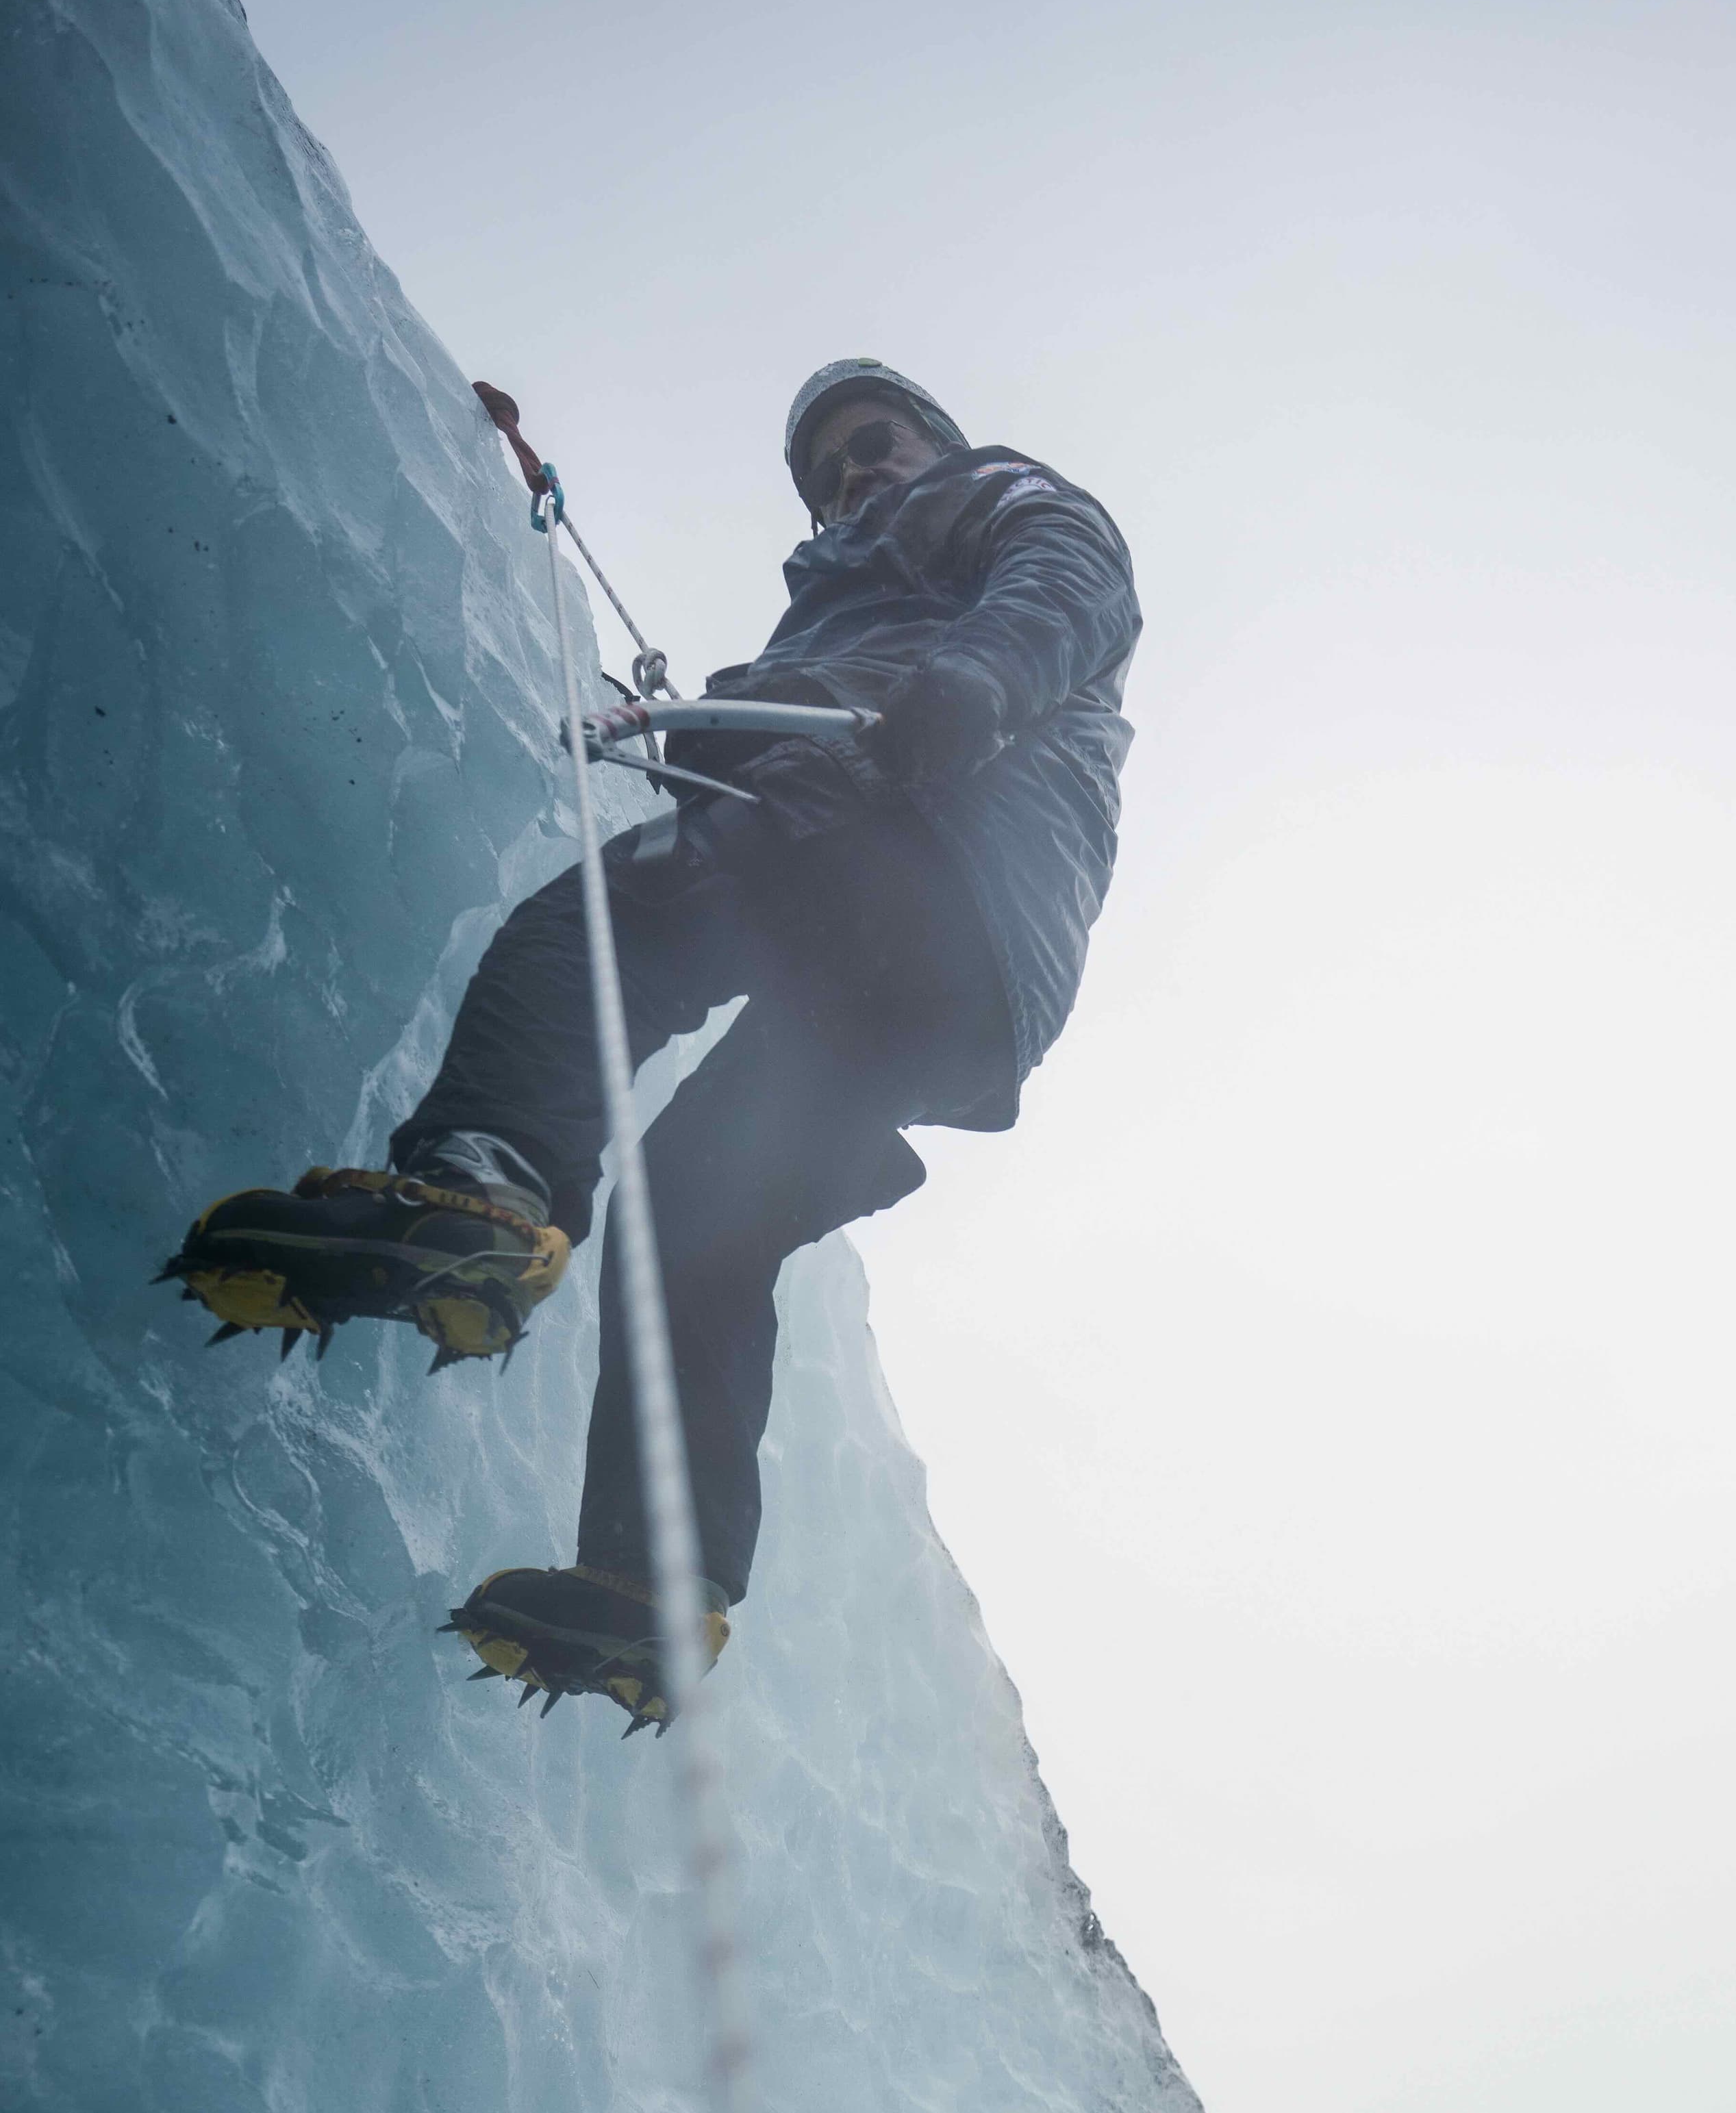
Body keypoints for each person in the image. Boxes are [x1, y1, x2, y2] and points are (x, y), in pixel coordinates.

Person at [164, 361, 1140, 1725]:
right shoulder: (853, 602)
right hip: (960, 990)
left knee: (600, 928)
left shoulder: (994, 495)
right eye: (831, 473)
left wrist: (968, 684)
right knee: (695, 1211)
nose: (856, 474)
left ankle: (486, 1190)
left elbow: (1073, 577)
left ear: (940, 441)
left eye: (876, 443)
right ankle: (655, 1590)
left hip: (922, 849)